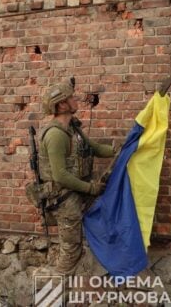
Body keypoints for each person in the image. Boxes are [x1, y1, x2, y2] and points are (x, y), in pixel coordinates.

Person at [38, 79, 115, 275]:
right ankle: (52, 295)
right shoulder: (55, 135)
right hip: (65, 201)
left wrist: (120, 151)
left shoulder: (73, 128)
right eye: (71, 97)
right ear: (62, 104)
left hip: (78, 195)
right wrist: (91, 189)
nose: (75, 99)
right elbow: (60, 175)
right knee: (71, 252)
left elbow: (94, 148)